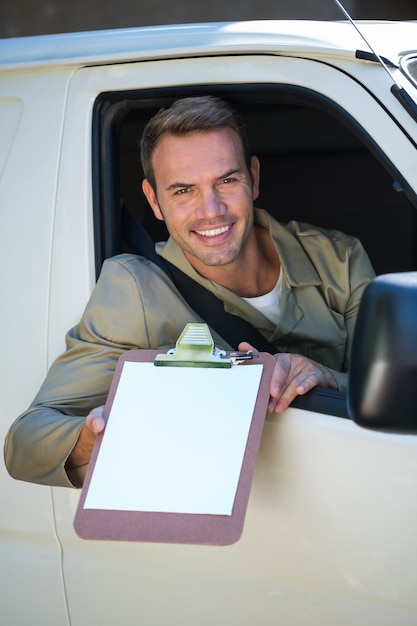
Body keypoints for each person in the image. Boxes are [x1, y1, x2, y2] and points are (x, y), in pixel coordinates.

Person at [4, 96, 375, 488]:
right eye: (183, 190)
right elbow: (26, 444)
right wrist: (96, 435)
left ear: (254, 178)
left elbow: (401, 392)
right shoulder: (135, 290)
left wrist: (328, 378)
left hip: (350, 492)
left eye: (226, 181)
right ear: (154, 201)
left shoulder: (337, 258)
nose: (210, 210)